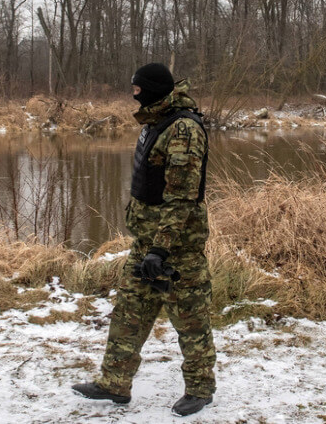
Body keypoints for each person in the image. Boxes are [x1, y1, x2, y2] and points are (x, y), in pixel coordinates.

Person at [73, 63, 216, 417]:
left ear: (152, 89)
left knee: (191, 321)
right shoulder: (156, 121)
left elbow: (182, 198)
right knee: (128, 313)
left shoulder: (183, 129)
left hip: (177, 250)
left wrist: (161, 249)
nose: (133, 94)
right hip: (147, 246)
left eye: (137, 89)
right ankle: (114, 383)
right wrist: (149, 246)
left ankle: (200, 389)